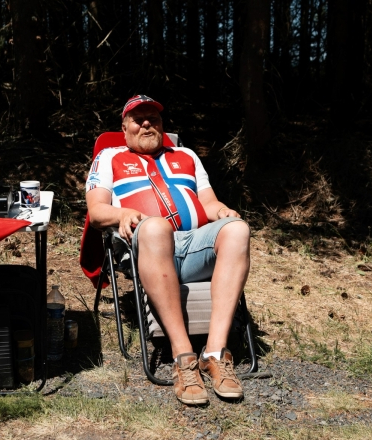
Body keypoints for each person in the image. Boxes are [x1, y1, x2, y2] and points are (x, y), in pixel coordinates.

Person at [85, 95, 251, 405]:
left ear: (163, 126)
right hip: (144, 246)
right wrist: (122, 214)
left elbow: (209, 203)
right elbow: (96, 211)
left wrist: (223, 213)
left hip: (193, 244)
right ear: (124, 128)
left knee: (238, 230)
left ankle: (214, 353)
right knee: (156, 226)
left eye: (154, 118)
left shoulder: (186, 155)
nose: (147, 123)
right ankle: (183, 356)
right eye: (139, 119)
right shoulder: (109, 158)